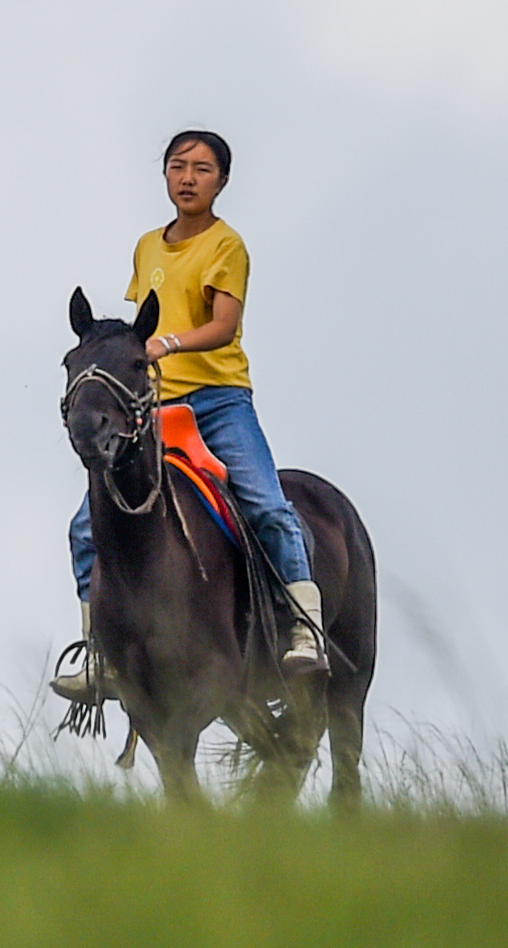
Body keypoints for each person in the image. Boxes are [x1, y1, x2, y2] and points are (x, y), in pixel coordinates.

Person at [53, 129, 324, 700]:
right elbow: (137, 330)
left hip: (218, 399)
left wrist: (167, 345)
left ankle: (305, 630)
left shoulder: (227, 246)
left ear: (221, 181)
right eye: (178, 166)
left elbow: (223, 325)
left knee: (267, 505)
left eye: (202, 169)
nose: (188, 177)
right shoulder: (147, 246)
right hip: (155, 407)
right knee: (85, 526)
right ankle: (99, 652)